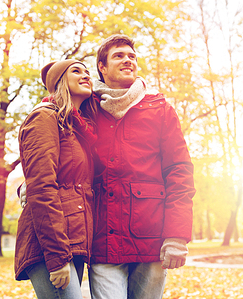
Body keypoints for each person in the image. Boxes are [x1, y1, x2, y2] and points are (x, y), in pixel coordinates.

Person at [89, 34, 195, 299]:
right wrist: (32, 180)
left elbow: (180, 171)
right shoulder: (86, 106)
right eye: (119, 56)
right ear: (102, 67)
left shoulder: (159, 108)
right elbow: (61, 149)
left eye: (132, 56)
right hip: (103, 240)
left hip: (152, 239)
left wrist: (177, 236)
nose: (128, 60)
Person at [14, 59, 97, 299]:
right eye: (76, 71)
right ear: (60, 82)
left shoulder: (76, 127)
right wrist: (57, 256)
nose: (85, 76)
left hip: (74, 239)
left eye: (88, 72)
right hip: (49, 244)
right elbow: (41, 187)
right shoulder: (44, 118)